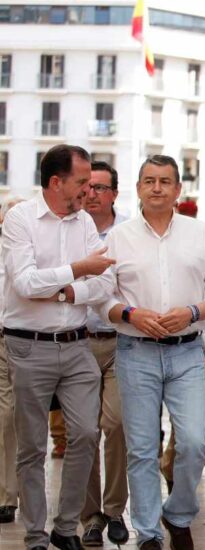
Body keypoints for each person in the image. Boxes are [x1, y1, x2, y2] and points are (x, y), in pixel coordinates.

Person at [100, 155, 205, 550]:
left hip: (186, 351)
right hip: (134, 350)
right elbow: (99, 298)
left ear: (178, 190)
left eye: (165, 181)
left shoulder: (201, 234)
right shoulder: (117, 238)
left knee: (193, 441)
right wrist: (131, 314)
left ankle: (177, 513)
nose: (157, 187)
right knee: (141, 448)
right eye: (149, 180)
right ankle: (149, 533)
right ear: (138, 188)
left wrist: (194, 312)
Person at [2, 144, 116, 550]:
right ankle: (35, 535)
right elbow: (25, 284)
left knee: (86, 433)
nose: (89, 190)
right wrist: (79, 272)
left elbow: (104, 284)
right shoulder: (20, 219)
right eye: (83, 181)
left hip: (77, 346)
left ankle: (66, 527)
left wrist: (66, 290)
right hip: (28, 347)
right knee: (32, 446)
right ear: (56, 182)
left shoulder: (84, 222)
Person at [79, 161, 130, 547]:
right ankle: (90, 516)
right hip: (77, 342)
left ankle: (115, 509)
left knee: (115, 425)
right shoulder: (71, 230)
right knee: (84, 431)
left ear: (114, 192)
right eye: (88, 186)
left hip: (118, 342)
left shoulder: (127, 233)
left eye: (100, 187)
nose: (92, 193)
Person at [0, 196, 26, 527]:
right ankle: (6, 496)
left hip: (30, 340)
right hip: (3, 338)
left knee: (23, 416)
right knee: (5, 415)